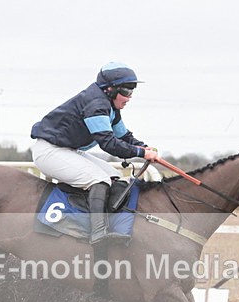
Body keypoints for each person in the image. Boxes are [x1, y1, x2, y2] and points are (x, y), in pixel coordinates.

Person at [30, 62, 159, 245]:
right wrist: (140, 153)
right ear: (110, 90)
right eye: (126, 91)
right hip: (49, 152)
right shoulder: (96, 104)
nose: (129, 97)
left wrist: (145, 148)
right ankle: (98, 232)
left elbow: (124, 136)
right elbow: (108, 143)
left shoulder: (110, 107)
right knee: (100, 180)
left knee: (114, 177)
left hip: (67, 150)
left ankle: (106, 223)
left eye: (132, 92)